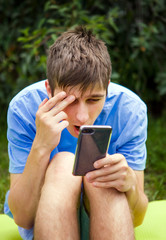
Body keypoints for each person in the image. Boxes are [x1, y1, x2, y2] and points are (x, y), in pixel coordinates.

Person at [4, 26, 148, 240]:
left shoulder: (129, 110)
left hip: (110, 219)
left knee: (102, 172)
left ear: (107, 88)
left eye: (94, 100)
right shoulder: (24, 108)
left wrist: (130, 187)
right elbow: (23, 217)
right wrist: (41, 146)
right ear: (49, 90)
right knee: (63, 164)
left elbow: (136, 218)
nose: (81, 117)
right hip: (45, 219)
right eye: (69, 100)